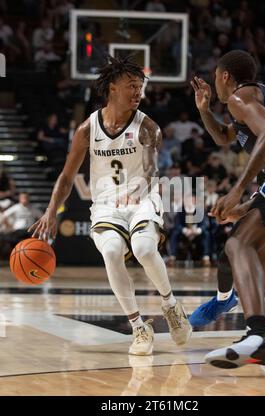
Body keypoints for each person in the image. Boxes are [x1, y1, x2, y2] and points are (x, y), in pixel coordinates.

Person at [29, 56, 192, 356]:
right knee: (112, 251)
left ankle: (170, 305)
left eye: (140, 87)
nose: (138, 92)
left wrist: (140, 186)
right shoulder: (86, 129)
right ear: (112, 87)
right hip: (105, 205)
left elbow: (151, 168)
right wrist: (51, 211)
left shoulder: (149, 127)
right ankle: (138, 327)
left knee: (144, 249)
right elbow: (67, 177)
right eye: (132, 86)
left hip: (142, 198)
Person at [190, 50, 265, 367]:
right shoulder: (245, 105)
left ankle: (258, 333)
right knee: (262, 251)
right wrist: (204, 109)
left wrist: (238, 191)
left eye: (215, 77)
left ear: (225, 76)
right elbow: (224, 136)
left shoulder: (242, 96)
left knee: (239, 243)